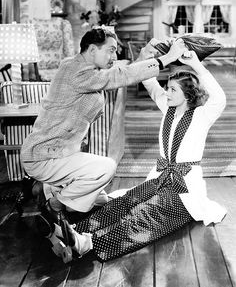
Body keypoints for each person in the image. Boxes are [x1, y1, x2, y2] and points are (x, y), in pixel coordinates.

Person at [38, 50, 227, 263]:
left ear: (188, 94)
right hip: (160, 178)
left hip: (186, 191)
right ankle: (72, 232)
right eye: (167, 88)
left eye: (172, 89)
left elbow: (219, 98)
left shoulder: (202, 115)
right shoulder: (168, 108)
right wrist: (148, 55)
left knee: (145, 214)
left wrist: (196, 65)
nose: (166, 92)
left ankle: (87, 244)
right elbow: (148, 80)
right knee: (127, 201)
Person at [20, 26, 186, 224]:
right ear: (92, 50)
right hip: (44, 155)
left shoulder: (84, 69)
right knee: (106, 168)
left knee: (101, 199)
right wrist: (165, 59)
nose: (114, 56)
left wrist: (144, 56)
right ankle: (53, 204)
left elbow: (119, 74)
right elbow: (118, 76)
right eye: (110, 50)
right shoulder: (75, 70)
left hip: (62, 152)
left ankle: (43, 188)